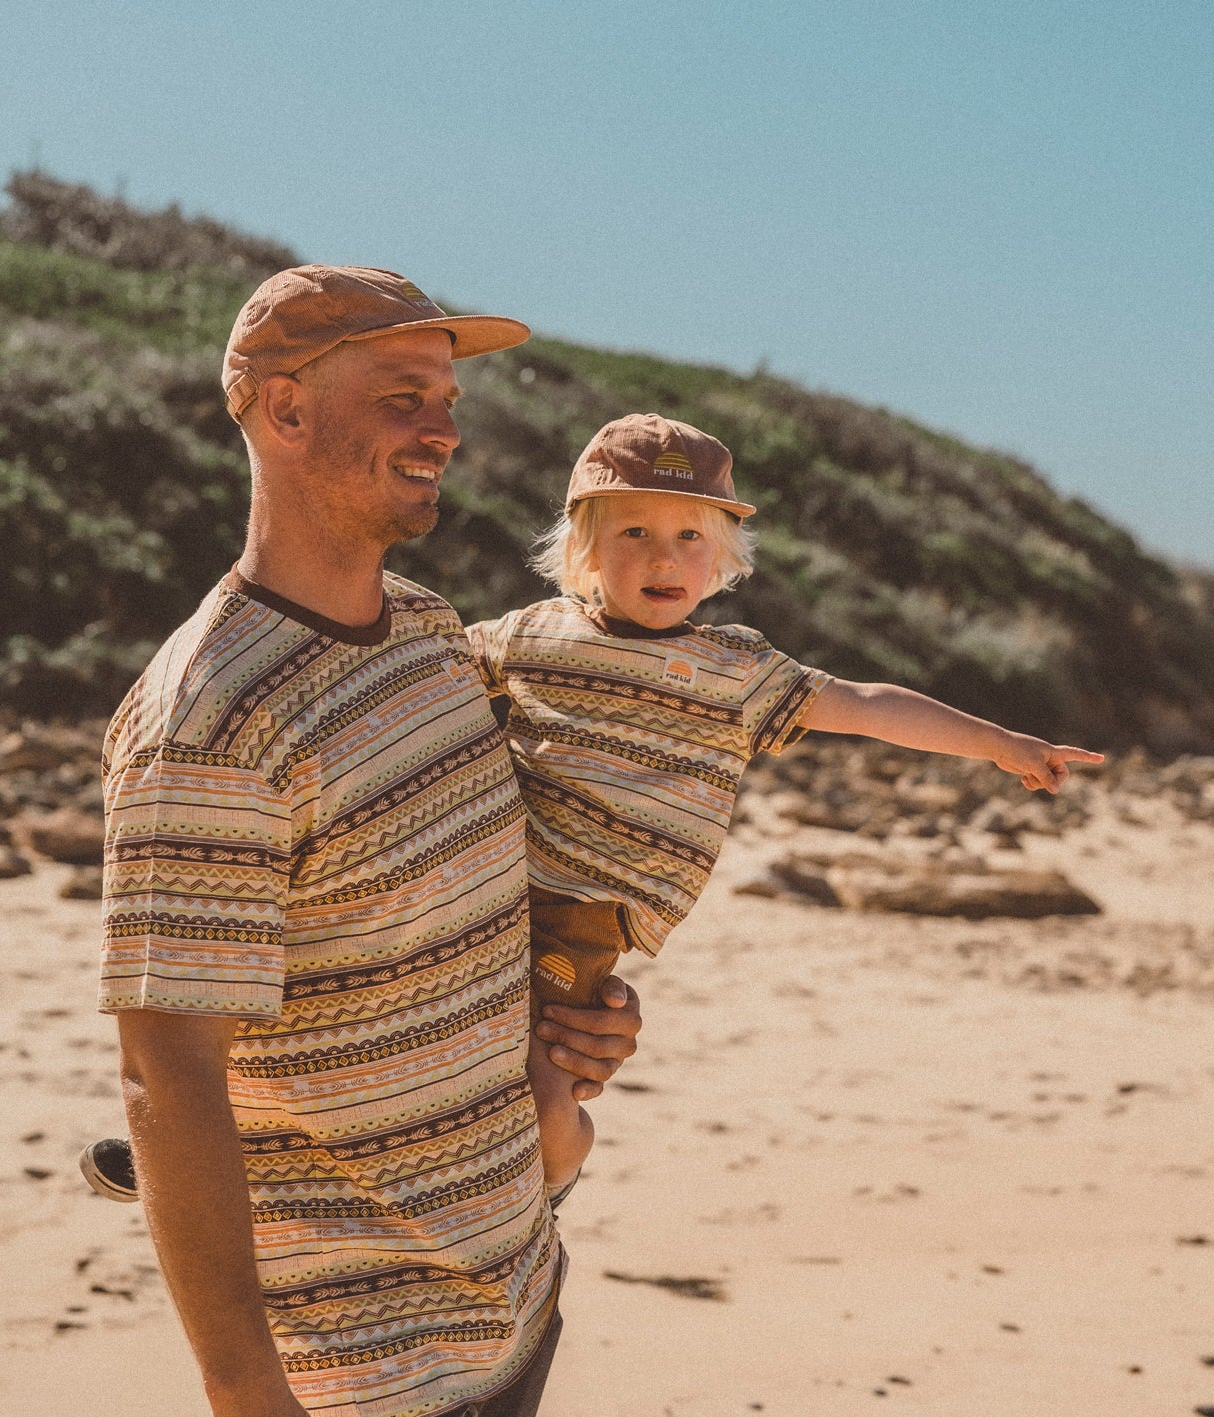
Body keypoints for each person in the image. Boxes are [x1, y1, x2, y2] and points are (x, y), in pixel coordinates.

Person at [95, 264, 642, 1417]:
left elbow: (471, 903)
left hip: (508, 1262)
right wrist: (248, 1402)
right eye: (403, 395)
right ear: (283, 413)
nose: (443, 428)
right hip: (361, 1338)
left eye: (446, 398)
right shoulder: (205, 726)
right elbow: (167, 1078)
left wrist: (572, 1013)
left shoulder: (427, 634)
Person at [462, 413, 1104, 1193]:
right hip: (488, 887)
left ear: (722, 558)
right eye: (633, 532)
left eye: (689, 538)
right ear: (584, 548)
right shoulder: (533, 635)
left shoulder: (738, 671)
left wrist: (1002, 744)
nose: (663, 556)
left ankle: (552, 1186)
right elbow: (424, 668)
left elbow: (867, 705)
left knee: (544, 1092)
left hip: (583, 916)